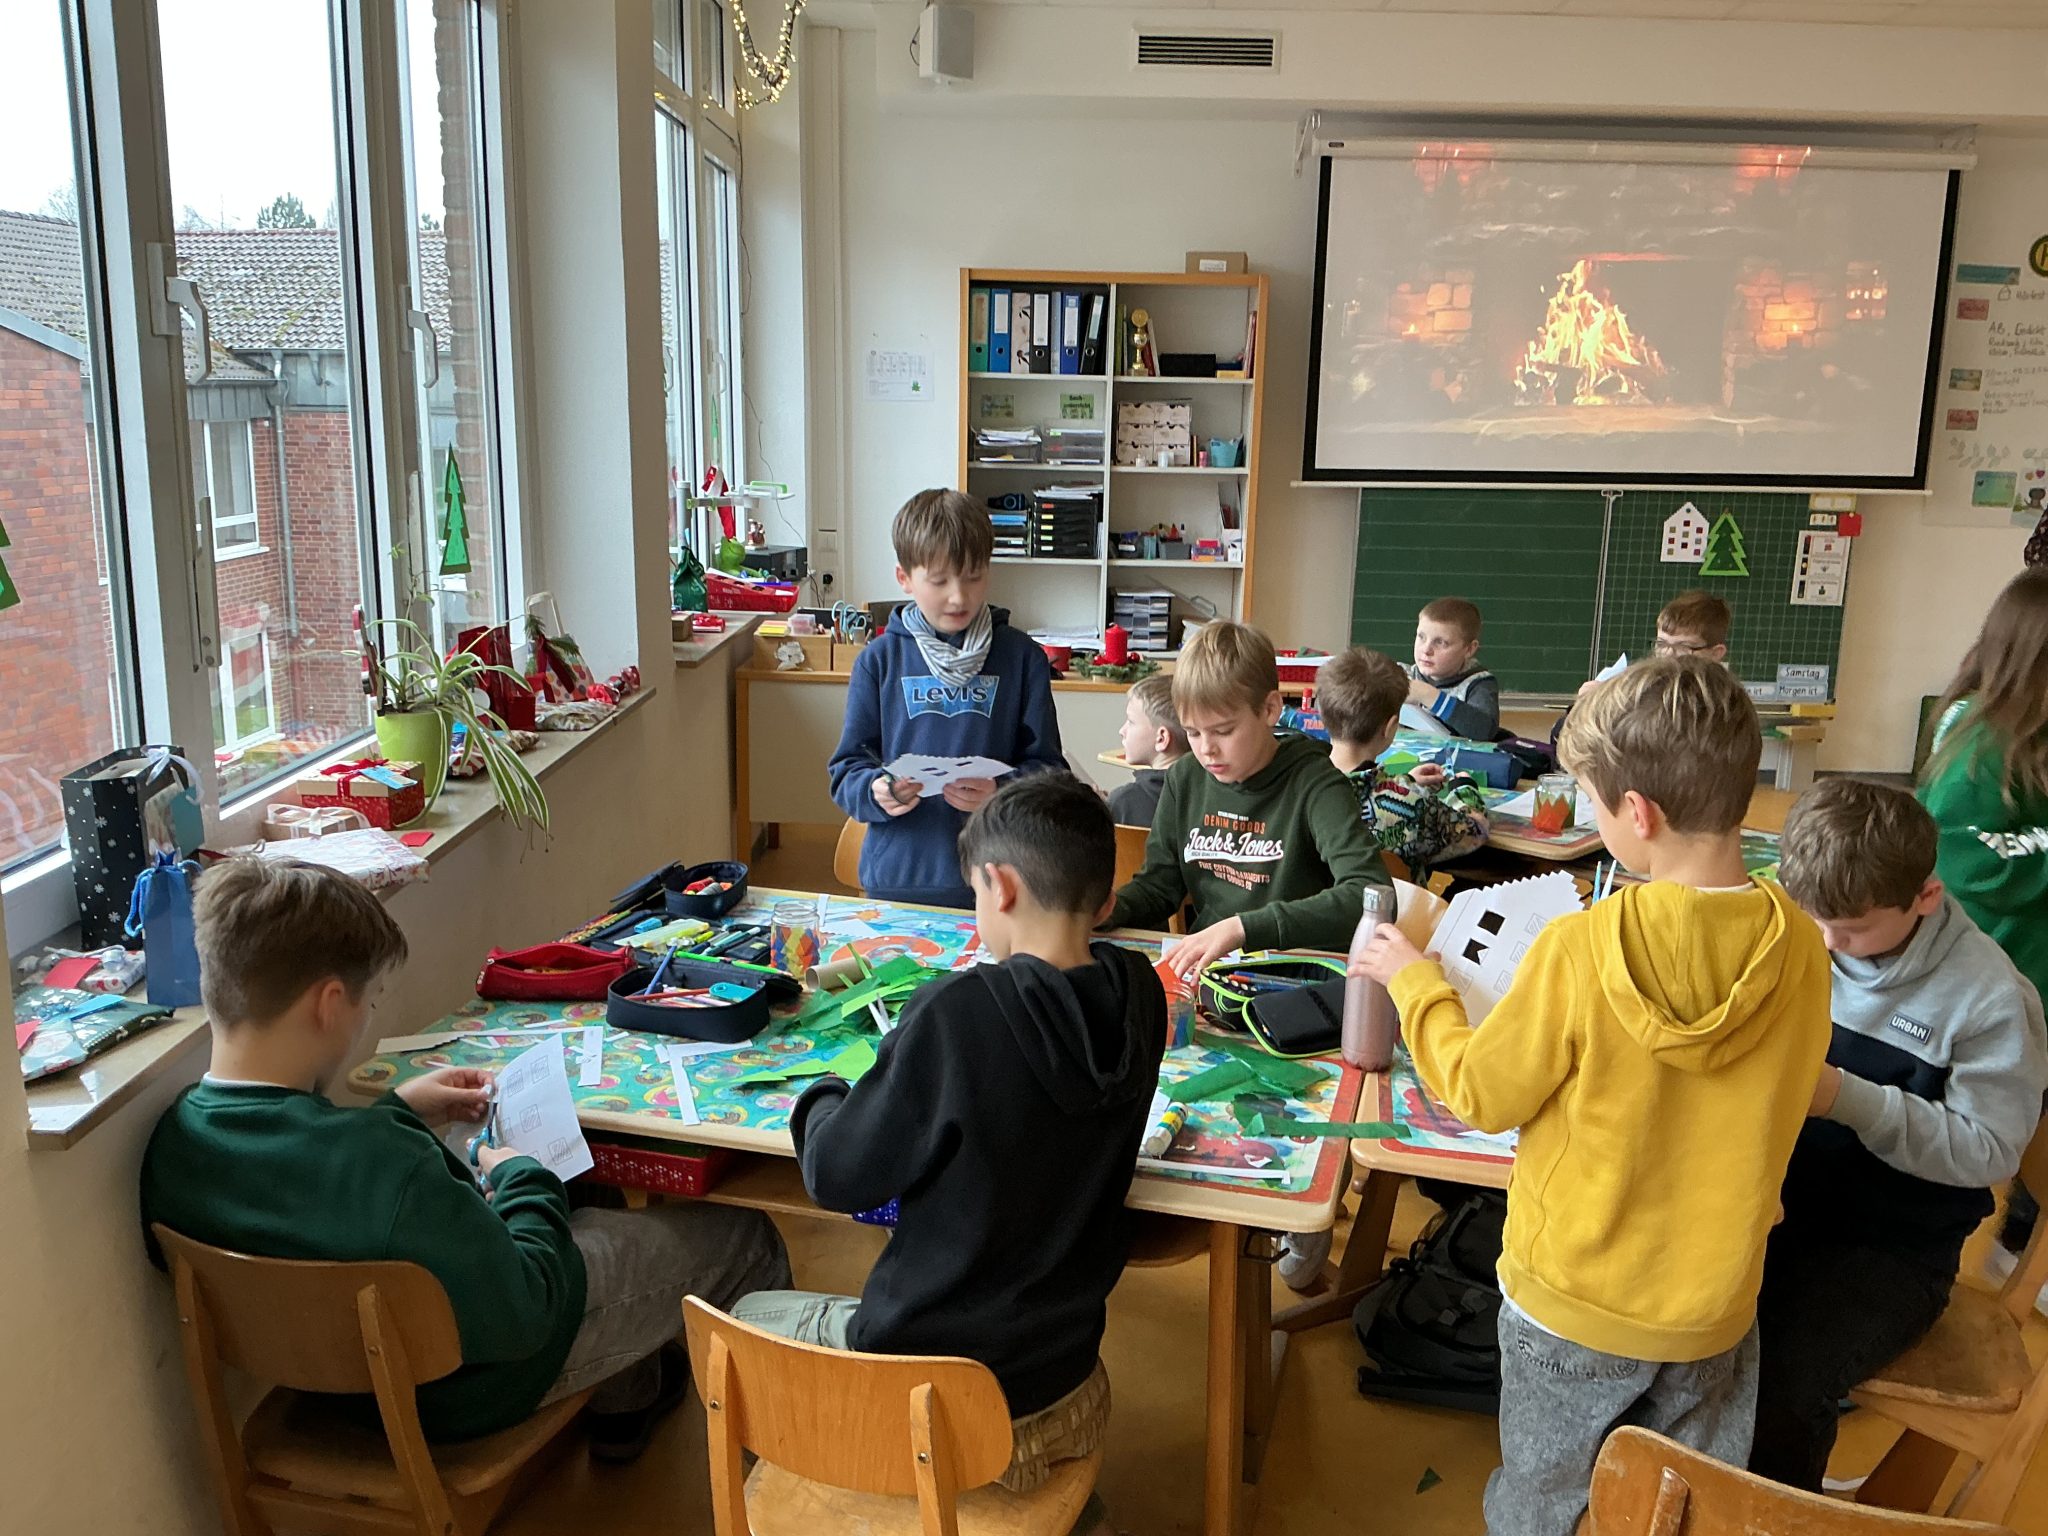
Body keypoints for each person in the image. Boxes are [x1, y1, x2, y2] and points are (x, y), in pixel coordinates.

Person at [1351, 656, 1831, 1536]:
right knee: (1676, 1513)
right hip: (1714, 1303)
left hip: (1573, 1299)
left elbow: (1480, 1093)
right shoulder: (1801, 944)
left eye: (1594, 803)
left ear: (1637, 813)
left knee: (1544, 1503)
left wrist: (1417, 984)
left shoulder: (1582, 947)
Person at [140, 857, 789, 1463]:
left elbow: (310, 1181)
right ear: (329, 1003)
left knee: (589, 1191)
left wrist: (397, 1109)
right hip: (470, 1385)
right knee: (746, 1238)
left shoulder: (175, 1146)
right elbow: (528, 1308)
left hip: (335, 1386)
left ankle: (630, 1403)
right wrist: (521, 1176)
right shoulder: (390, 1166)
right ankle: (779, 1478)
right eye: (368, 1000)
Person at [734, 773, 1166, 1508]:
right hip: (1065, 1376)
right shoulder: (1141, 993)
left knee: (743, 1318)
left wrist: (825, 1094)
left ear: (1001, 886)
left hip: (938, 1407)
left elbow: (836, 1174)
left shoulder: (958, 1014)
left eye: (974, 893)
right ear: (1103, 901)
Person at [1753, 777, 2046, 1492]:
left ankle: (1770, 1510)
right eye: (1816, 919)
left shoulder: (1989, 1000)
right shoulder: (1805, 932)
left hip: (1895, 1248)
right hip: (1775, 1205)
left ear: (1926, 897)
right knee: (1675, 1317)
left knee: (1785, 1376)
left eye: (1852, 929)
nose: (1829, 944)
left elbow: (1989, 1150)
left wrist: (1846, 1099)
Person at [1105, 620, 1389, 979]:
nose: (1206, 749)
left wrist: (1243, 928)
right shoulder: (1185, 777)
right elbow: (1159, 888)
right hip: (1216, 974)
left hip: (1293, 977)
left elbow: (1370, 893)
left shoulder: (1315, 783)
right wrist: (1108, 909)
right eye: (1193, 732)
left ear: (1270, 709)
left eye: (1223, 731)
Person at [828, 488, 1064, 909]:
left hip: (998, 878)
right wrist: (877, 790)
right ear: (904, 578)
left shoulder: (1022, 658)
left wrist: (1000, 790)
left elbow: (1050, 772)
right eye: (939, 581)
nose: (959, 596)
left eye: (974, 577)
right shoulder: (878, 661)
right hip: (900, 878)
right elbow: (846, 770)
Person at [1919, 567, 2048, 1292]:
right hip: (2003, 971)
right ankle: (1994, 1252)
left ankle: (2019, 1243)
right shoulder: (1978, 746)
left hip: (2028, 969)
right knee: (2001, 1108)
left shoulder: (2028, 735)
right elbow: (1967, 859)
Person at [1318, 645, 1489, 876]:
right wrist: (1464, 789)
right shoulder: (1411, 804)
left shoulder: (1300, 786)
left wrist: (1404, 781)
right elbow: (1475, 831)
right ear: (1390, 727)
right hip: (1393, 901)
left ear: (1322, 715)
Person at [1404, 596, 1499, 740]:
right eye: (1421, 637)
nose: (1426, 650)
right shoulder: (1403, 675)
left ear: (1469, 649)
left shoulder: (1478, 684)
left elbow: (1483, 732)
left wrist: (1427, 694)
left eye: (1440, 642)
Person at [1108, 674, 1187, 829]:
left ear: (1161, 738)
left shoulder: (1123, 803)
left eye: (1131, 722)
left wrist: (1099, 808)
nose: (1122, 731)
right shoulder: (1212, 796)